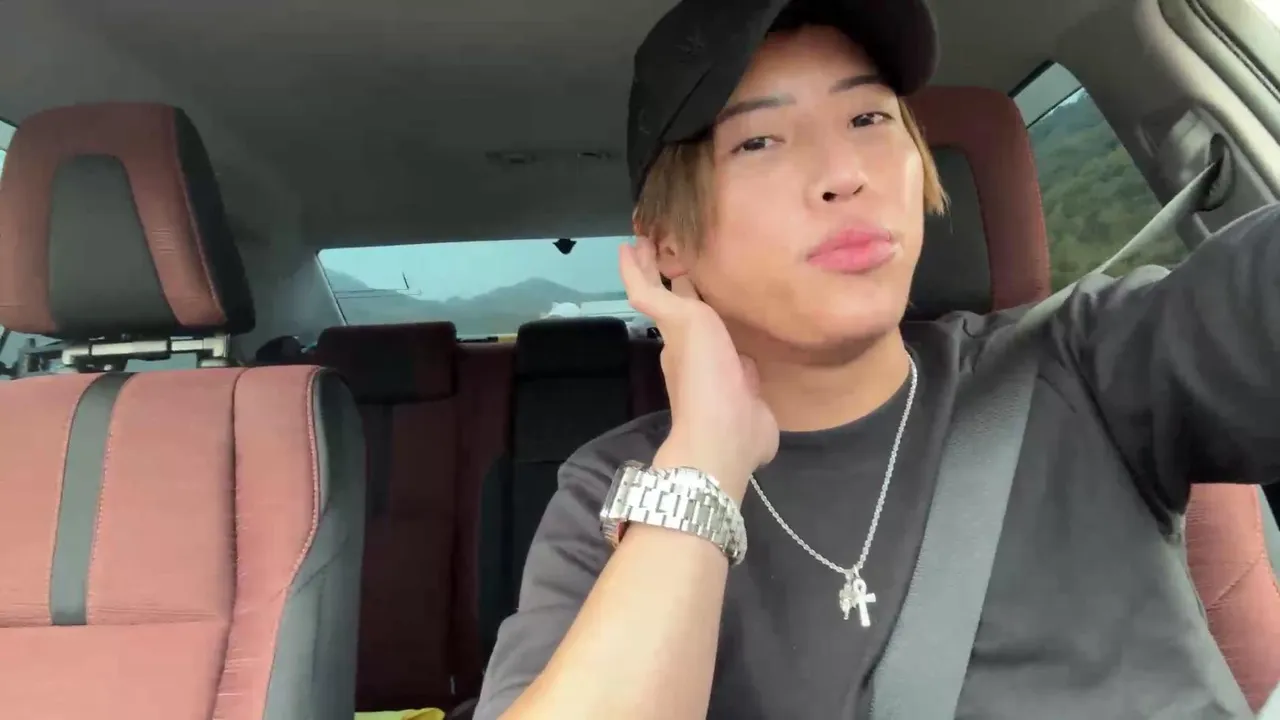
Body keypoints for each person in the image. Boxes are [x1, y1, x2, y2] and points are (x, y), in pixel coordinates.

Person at [473, 0, 1280, 717]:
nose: (844, 174)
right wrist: (707, 458)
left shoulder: (1088, 359)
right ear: (667, 248)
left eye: (868, 119)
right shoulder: (612, 496)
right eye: (758, 141)